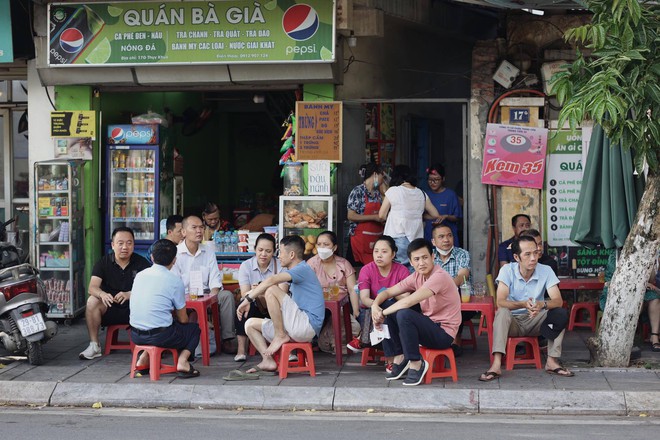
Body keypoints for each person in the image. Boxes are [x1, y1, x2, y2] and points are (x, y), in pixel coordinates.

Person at [479, 235, 574, 382]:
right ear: (517, 257)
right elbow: (501, 301)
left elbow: (558, 300)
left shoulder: (546, 270)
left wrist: (542, 305)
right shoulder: (507, 270)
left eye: (535, 253)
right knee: (502, 311)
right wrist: (523, 304)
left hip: (536, 320)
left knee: (559, 314)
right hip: (513, 322)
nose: (533, 258)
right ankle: (496, 365)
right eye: (528, 254)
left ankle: (552, 361)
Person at [371, 238, 461, 386]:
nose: (421, 263)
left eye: (425, 258)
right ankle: (400, 356)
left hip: (443, 334)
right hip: (429, 326)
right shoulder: (416, 276)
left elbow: (408, 301)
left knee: (403, 313)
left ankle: (416, 363)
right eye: (417, 259)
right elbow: (387, 292)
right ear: (411, 262)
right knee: (387, 303)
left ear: (433, 257)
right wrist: (375, 306)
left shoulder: (440, 276)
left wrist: (382, 314)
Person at [236, 235, 325, 375]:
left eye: (281, 252)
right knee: (250, 325)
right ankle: (268, 360)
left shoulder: (303, 269)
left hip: (306, 325)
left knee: (271, 288)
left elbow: (271, 281)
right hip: (294, 326)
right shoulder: (294, 272)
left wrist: (248, 299)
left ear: (291, 254)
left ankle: (279, 334)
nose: (279, 256)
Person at [129, 239, 201, 378]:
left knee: (160, 323)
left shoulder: (140, 275)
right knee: (193, 330)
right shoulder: (174, 281)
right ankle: (182, 362)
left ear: (152, 257)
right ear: (174, 260)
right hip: (161, 336)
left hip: (135, 335)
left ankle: (143, 359)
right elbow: (183, 318)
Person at [79, 227, 151, 360]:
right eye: (120, 243)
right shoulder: (103, 263)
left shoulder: (142, 263)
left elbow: (151, 288)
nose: (125, 247)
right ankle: (94, 345)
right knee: (92, 301)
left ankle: (149, 346)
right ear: (113, 245)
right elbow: (92, 287)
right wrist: (102, 294)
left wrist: (130, 294)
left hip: (135, 311)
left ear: (134, 245)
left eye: (129, 243)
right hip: (110, 308)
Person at [171, 215, 237, 354]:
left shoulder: (208, 251)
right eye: (194, 228)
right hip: (185, 298)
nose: (199, 231)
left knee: (226, 296)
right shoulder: (176, 254)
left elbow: (215, 280)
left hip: (207, 294)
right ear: (183, 232)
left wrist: (210, 301)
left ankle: (227, 338)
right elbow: (175, 285)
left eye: (201, 227)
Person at [354, 235, 411, 367]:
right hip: (370, 312)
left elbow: (406, 298)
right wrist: (376, 307)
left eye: (384, 252)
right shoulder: (366, 270)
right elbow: (364, 298)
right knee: (384, 313)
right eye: (376, 251)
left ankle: (390, 358)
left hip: (395, 311)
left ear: (393, 254)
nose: (379, 255)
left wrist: (389, 295)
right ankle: (393, 359)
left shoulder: (402, 271)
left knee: (387, 309)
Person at [379, 165, 443, 270]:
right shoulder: (421, 193)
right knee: (414, 270)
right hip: (416, 239)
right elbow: (435, 214)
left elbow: (381, 215)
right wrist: (418, 215)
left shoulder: (393, 191)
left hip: (396, 237)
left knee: (397, 271)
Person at [307, 231, 359, 352]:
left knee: (354, 327)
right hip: (317, 306)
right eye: (319, 244)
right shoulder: (312, 264)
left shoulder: (344, 264)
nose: (322, 248)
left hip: (340, 306)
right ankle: (332, 342)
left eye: (326, 244)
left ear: (334, 247)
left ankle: (334, 343)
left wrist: (356, 310)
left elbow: (352, 289)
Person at [233, 233, 283, 362]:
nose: (263, 254)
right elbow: (244, 293)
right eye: (260, 250)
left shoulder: (280, 265)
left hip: (275, 306)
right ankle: (241, 349)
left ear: (274, 252)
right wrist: (254, 293)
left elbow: (283, 293)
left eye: (268, 251)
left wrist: (259, 289)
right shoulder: (246, 266)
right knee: (243, 304)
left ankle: (284, 347)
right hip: (255, 306)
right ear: (254, 249)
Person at [600, 252, 659, 352]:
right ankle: (627, 337)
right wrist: (643, 283)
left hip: (639, 290)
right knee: (635, 302)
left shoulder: (646, 254)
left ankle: (654, 336)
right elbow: (619, 279)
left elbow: (651, 279)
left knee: (655, 298)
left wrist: (652, 263)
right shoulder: (616, 255)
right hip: (615, 290)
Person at [431, 223, 475, 355]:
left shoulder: (462, 253)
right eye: (441, 236)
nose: (446, 239)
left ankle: (455, 340)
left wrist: (444, 289)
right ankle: (435, 341)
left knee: (454, 304)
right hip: (436, 300)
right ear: (433, 241)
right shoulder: (430, 256)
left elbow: (462, 276)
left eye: (449, 236)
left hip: (461, 301)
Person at [347, 163, 387, 265]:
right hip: (359, 240)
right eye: (382, 176)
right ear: (375, 175)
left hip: (375, 239)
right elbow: (351, 215)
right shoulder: (358, 191)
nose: (383, 180)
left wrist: (384, 192)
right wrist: (374, 217)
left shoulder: (377, 193)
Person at [423, 163, 462, 247]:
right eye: (430, 180)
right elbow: (420, 215)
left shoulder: (451, 195)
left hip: (447, 239)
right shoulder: (424, 195)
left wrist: (446, 216)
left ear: (443, 179)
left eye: (436, 179)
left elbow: (457, 217)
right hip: (429, 236)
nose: (433, 182)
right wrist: (436, 217)